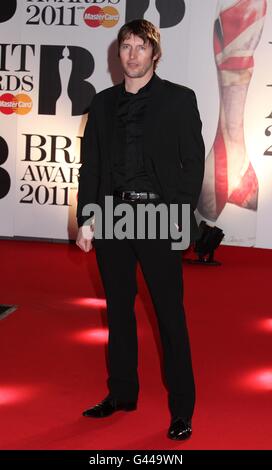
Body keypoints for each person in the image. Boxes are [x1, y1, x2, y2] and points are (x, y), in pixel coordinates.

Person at [76, 19, 205, 441]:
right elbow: (91, 166)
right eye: (125, 46)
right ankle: (122, 393)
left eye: (140, 47)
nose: (131, 55)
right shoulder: (102, 103)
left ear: (155, 53)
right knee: (118, 311)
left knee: (169, 316)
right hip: (112, 216)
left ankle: (182, 408)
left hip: (157, 217)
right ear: (119, 54)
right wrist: (87, 219)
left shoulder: (179, 100)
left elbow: (193, 164)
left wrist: (179, 218)